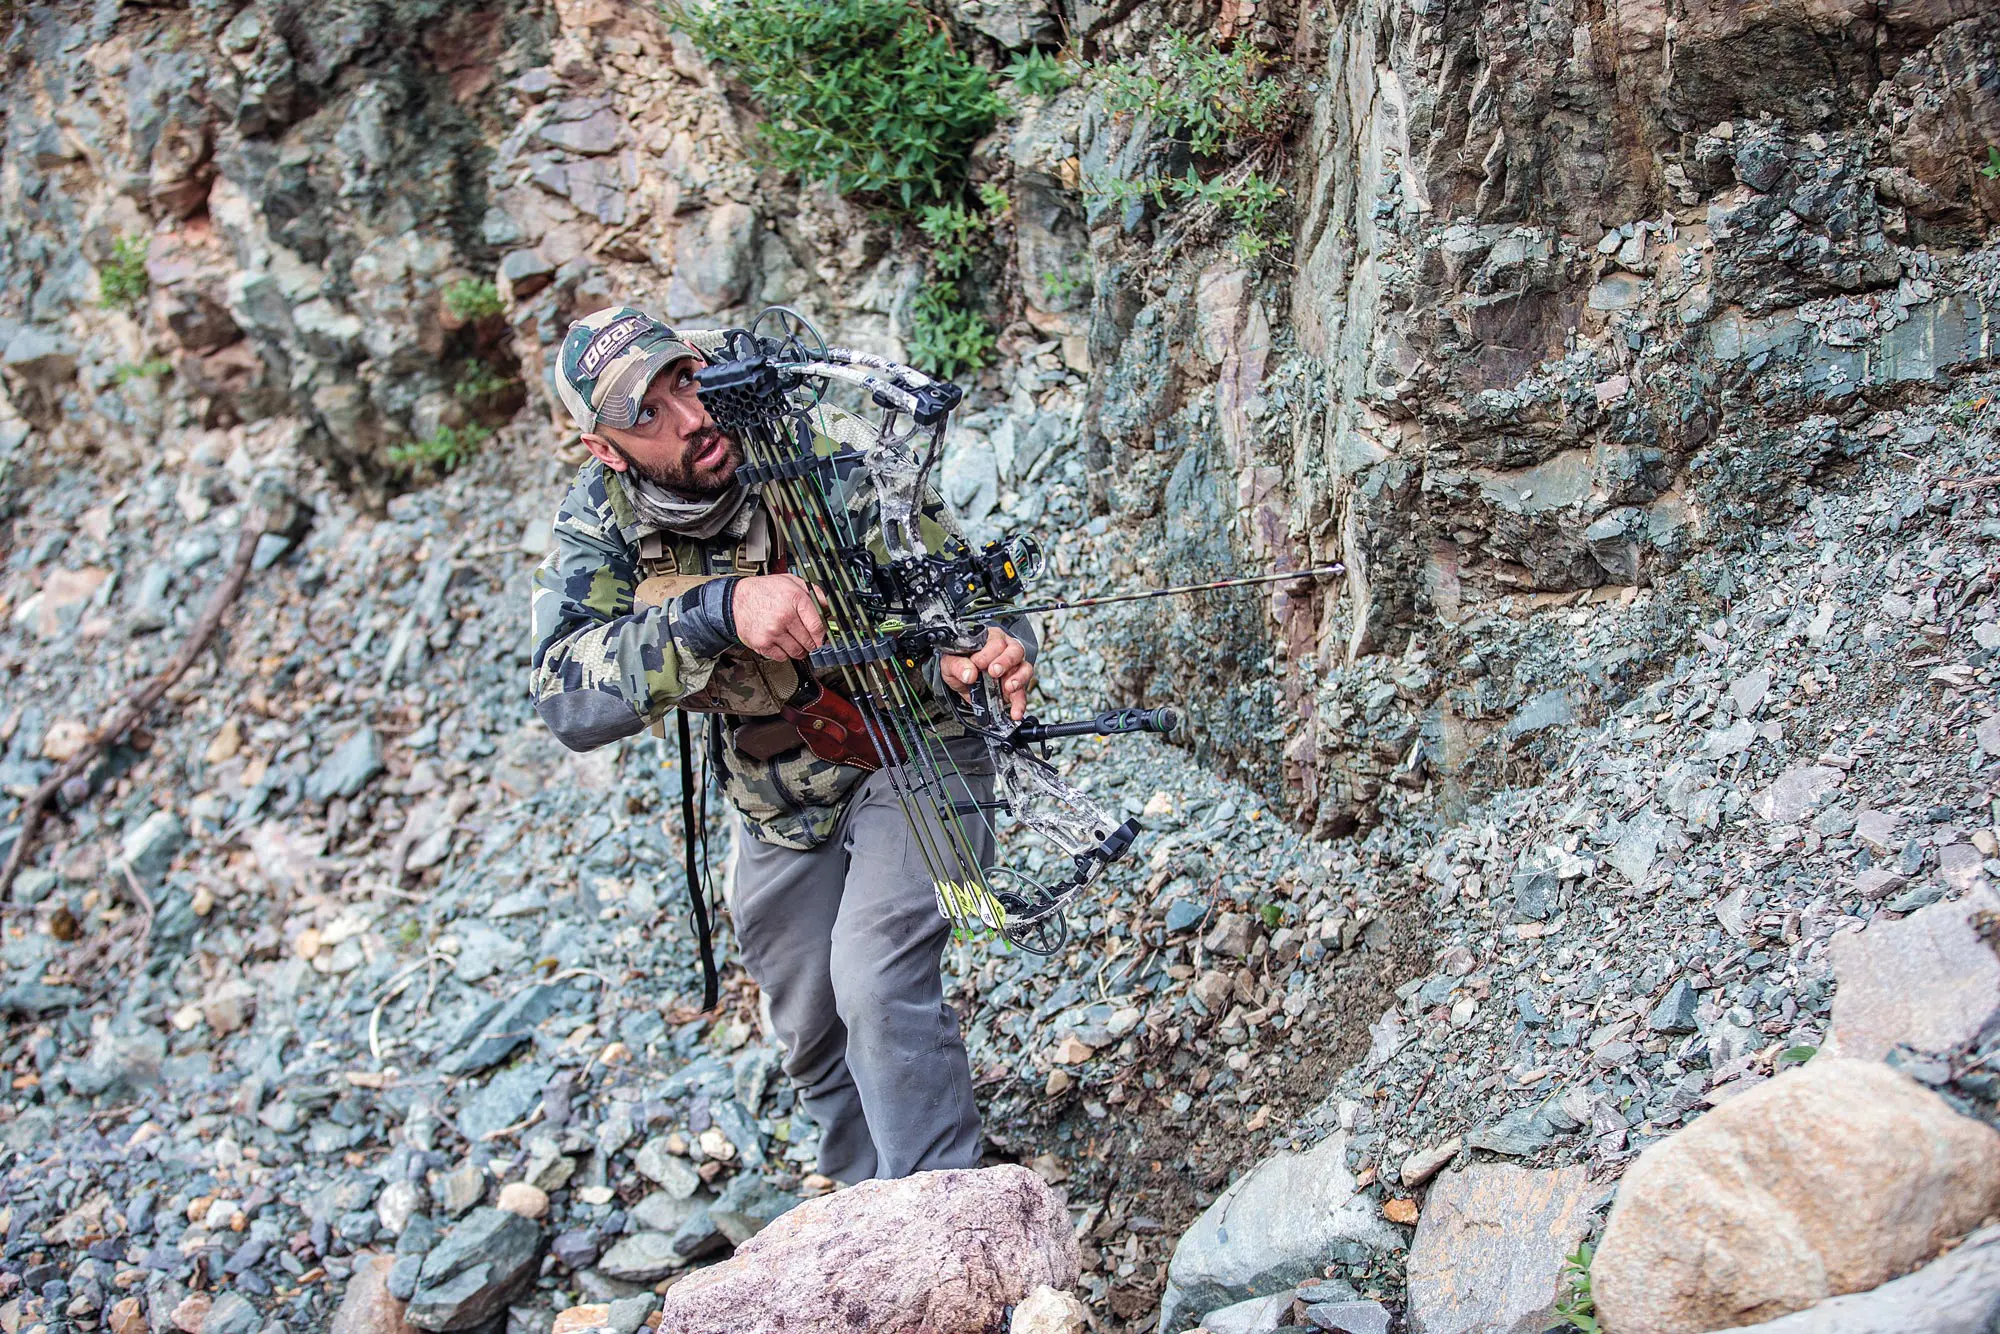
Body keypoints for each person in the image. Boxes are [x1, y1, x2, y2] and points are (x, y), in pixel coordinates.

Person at [528, 306, 1036, 1182]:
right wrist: (715, 612)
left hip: (917, 741)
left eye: (684, 379)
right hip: (777, 790)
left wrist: (988, 647)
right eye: (645, 414)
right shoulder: (600, 525)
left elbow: (955, 577)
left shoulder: (811, 440)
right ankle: (862, 1207)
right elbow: (565, 699)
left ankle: (949, 1218)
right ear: (606, 451)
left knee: (875, 984)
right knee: (809, 1023)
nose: (691, 420)